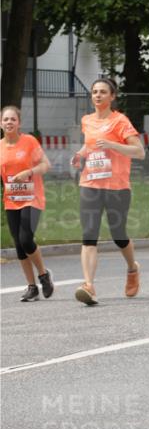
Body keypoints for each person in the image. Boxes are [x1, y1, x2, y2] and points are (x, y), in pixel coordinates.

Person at [70, 78, 145, 306]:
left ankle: (132, 268)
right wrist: (80, 154)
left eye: (103, 92)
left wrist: (113, 145)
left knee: (118, 234)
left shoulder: (120, 121)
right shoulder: (87, 121)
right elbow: (91, 144)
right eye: (94, 92)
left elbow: (139, 152)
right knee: (89, 234)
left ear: (112, 96)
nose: (98, 95)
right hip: (90, 184)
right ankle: (89, 286)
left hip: (117, 187)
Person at [1, 105, 54, 301]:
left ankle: (43, 275)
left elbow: (46, 165)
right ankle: (32, 287)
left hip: (32, 198)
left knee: (25, 239)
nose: (9, 122)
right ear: (0, 123)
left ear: (19, 123)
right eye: (5, 119)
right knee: (18, 245)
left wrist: (28, 172)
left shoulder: (29, 142)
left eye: (12, 119)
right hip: (11, 200)